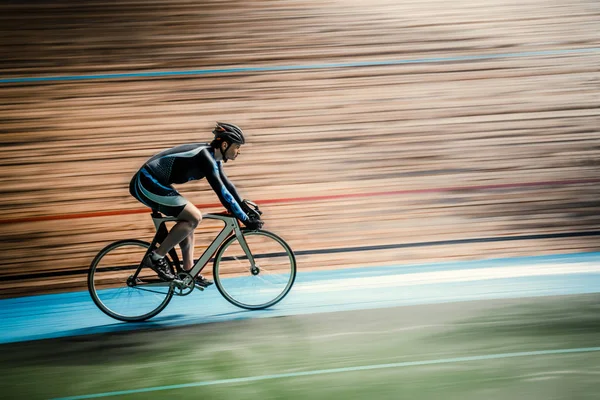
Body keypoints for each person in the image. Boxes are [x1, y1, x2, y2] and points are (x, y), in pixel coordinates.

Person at [129, 122, 263, 286]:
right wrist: (244, 218)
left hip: (155, 182)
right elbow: (222, 193)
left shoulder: (213, 159)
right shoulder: (204, 157)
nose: (239, 151)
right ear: (225, 144)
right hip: (146, 182)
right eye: (237, 146)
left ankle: (188, 271)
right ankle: (156, 257)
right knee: (194, 216)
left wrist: (244, 207)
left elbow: (229, 186)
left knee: (188, 220)